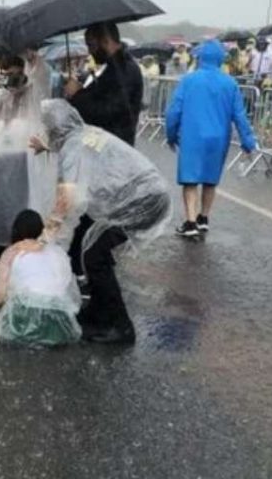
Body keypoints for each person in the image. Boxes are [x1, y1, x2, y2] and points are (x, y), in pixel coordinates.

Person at [29, 100, 171, 345]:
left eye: (47, 126)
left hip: (143, 201)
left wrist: (46, 238)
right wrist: (49, 147)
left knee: (94, 254)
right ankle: (98, 311)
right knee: (87, 241)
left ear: (55, 127)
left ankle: (120, 326)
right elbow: (75, 151)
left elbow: (66, 200)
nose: (45, 130)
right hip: (145, 194)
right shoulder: (82, 134)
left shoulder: (73, 148)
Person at [63, 22, 144, 297]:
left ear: (105, 40)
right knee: (91, 219)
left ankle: (88, 276)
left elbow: (108, 111)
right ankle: (87, 271)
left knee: (95, 222)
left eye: (91, 45)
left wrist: (78, 95)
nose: (89, 51)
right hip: (104, 155)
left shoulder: (125, 71)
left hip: (112, 159)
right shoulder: (115, 68)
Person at [0, 52, 55, 278]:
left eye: (18, 74)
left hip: (21, 166)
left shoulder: (34, 94)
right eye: (9, 75)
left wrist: (33, 59)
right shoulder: (0, 96)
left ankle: (18, 257)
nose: (14, 80)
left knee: (19, 211)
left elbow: (42, 78)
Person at [165, 40, 257, 237]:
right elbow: (240, 115)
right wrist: (247, 141)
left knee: (190, 180)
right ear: (221, 59)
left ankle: (190, 222)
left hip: (192, 136)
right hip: (219, 137)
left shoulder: (189, 81)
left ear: (200, 58)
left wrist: (171, 134)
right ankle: (204, 218)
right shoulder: (230, 83)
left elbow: (174, 111)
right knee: (210, 179)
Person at [0, 209, 81, 347]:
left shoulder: (12, 252)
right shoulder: (56, 251)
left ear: (15, 230)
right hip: (60, 325)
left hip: (22, 324)